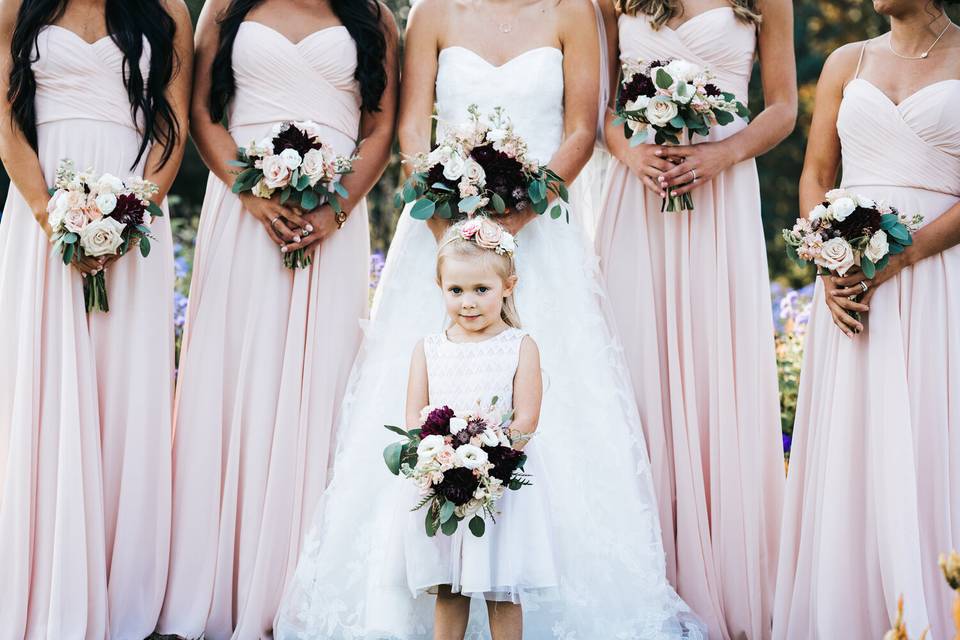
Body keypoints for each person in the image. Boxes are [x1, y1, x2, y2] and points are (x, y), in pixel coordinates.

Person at [275, 1, 701, 637]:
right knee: (424, 392)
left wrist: (514, 224)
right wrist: (456, 224)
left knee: (552, 405)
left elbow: (580, 131)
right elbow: (414, 133)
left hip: (541, 235)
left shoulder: (574, 11)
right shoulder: (433, 12)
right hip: (442, 233)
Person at [157, 0, 398, 637]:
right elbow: (203, 113)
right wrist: (253, 192)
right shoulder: (226, 7)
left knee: (320, 379)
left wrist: (338, 208)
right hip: (241, 212)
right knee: (235, 376)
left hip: (334, 218)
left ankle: (301, 579)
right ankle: (218, 576)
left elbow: (379, 127)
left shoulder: (374, 15)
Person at [594, 0, 797, 636]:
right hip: (637, 196)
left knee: (715, 371)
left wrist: (723, 154)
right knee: (632, 368)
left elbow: (784, 106)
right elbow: (596, 107)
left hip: (721, 193)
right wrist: (629, 153)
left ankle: (722, 579)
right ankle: (634, 583)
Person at [0, 0, 192, 637]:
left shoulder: (166, 10)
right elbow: (6, 123)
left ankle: (120, 582)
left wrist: (127, 219)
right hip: (42, 213)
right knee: (44, 379)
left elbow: (173, 129)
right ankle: (43, 574)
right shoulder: (15, 7)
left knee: (124, 386)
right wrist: (49, 215)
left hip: (133, 218)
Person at [774, 2, 960, 637]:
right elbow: (817, 175)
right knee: (854, 442)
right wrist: (828, 259)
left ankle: (935, 607)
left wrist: (905, 255)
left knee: (931, 433)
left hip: (937, 281)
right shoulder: (844, 62)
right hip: (852, 286)